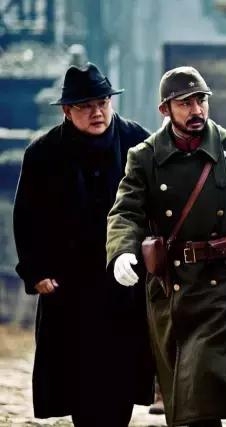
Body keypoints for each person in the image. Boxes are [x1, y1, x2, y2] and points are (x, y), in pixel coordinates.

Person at [106, 66, 226, 427]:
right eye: (185, 103)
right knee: (185, 402)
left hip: (225, 285)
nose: (196, 110)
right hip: (173, 289)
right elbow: (126, 211)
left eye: (201, 100)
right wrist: (122, 251)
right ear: (165, 109)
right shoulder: (144, 156)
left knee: (202, 377)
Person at [13, 62, 154, 426]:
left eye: (102, 102)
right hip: (69, 284)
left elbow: (158, 207)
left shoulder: (138, 143)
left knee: (121, 379)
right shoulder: (43, 153)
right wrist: (35, 271)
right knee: (78, 381)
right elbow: (26, 217)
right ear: (67, 110)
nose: (97, 112)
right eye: (85, 106)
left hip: (124, 279)